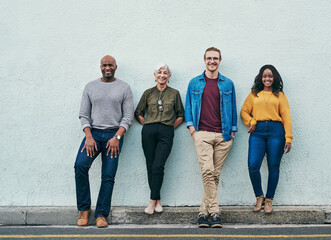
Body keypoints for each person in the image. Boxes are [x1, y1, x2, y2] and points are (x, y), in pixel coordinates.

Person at [74, 55, 134, 228]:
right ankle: (84, 210)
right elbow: (84, 115)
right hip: (92, 135)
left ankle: (101, 214)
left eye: (110, 65)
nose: (107, 67)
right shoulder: (90, 87)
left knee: (108, 176)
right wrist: (88, 136)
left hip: (113, 136)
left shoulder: (124, 88)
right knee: (80, 166)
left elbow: (128, 116)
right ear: (100, 67)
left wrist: (117, 137)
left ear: (116, 67)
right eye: (104, 65)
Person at [185, 47, 237, 228]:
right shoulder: (194, 83)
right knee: (207, 171)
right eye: (209, 58)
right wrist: (193, 130)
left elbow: (232, 109)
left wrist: (232, 131)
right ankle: (215, 212)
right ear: (204, 60)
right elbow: (188, 109)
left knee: (214, 174)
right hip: (203, 133)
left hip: (224, 135)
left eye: (215, 58)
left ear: (220, 60)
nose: (212, 61)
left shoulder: (228, 84)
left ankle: (202, 212)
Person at [240, 64, 292, 214]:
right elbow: (244, 111)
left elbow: (287, 118)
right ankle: (259, 196)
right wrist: (251, 121)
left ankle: (269, 200)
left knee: (273, 166)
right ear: (261, 78)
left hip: (276, 131)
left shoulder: (280, 96)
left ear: (274, 78)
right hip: (258, 131)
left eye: (270, 76)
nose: (267, 78)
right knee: (253, 165)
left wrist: (288, 137)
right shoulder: (254, 94)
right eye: (264, 76)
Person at [134, 63, 184, 215]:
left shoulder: (174, 93)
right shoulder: (148, 93)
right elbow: (138, 112)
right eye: (159, 72)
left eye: (165, 73)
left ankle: (151, 202)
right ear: (155, 75)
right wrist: (148, 124)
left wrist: (168, 127)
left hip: (166, 131)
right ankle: (158, 200)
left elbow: (180, 114)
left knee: (158, 165)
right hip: (148, 131)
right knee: (150, 166)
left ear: (169, 77)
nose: (162, 75)